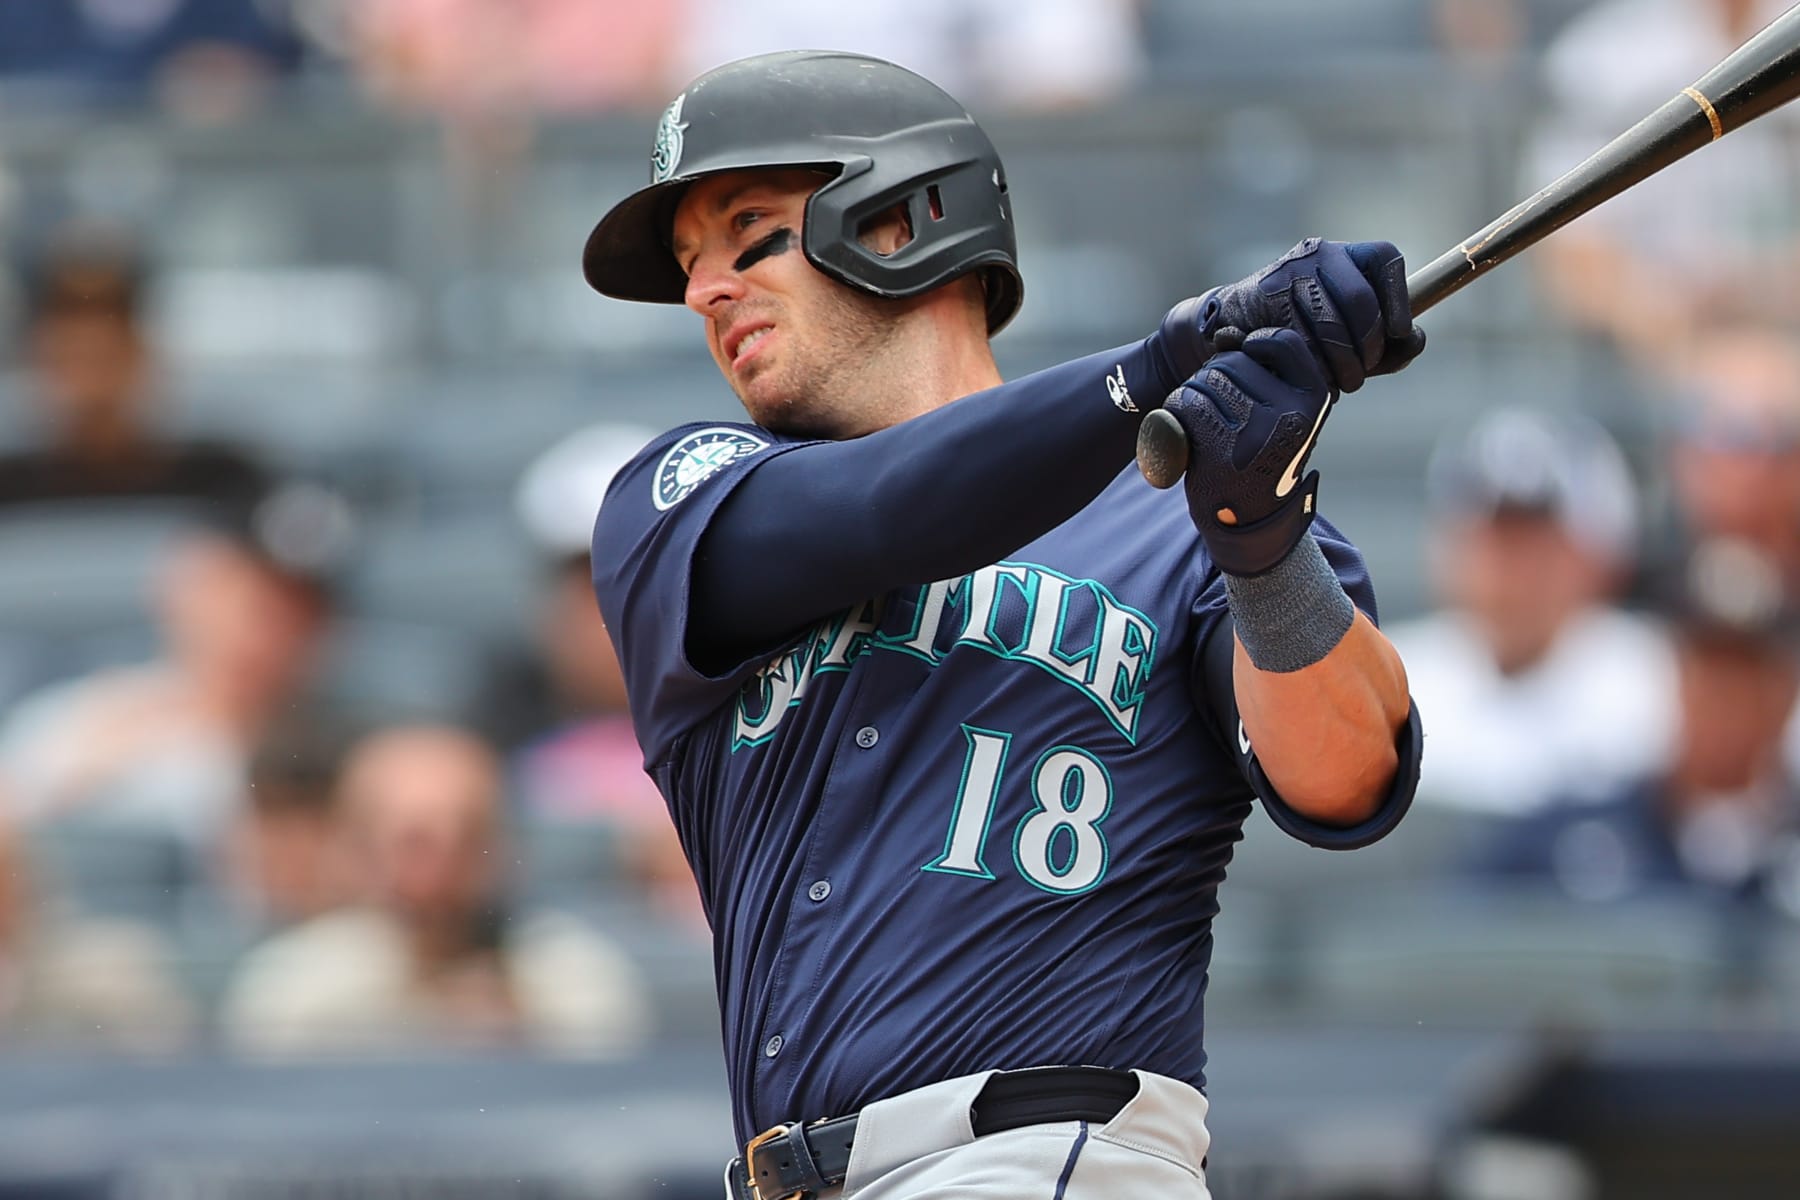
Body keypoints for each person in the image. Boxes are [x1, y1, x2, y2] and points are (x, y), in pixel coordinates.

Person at [582, 51, 1425, 1200]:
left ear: (899, 221)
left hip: (1047, 1159)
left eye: (749, 233)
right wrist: (1163, 363)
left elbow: (1345, 777)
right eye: (692, 263)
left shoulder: (1177, 522)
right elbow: (889, 508)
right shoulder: (680, 495)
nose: (704, 290)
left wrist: (1262, 538)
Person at [221, 723, 652, 1060]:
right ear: (357, 846)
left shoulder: (575, 980)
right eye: (416, 842)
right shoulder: (292, 990)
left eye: (467, 835)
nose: (440, 867)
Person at [1389, 407, 1676, 815]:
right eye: (1493, 541)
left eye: (1538, 543)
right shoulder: (1390, 683)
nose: (1512, 573)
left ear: (1599, 558)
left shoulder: (1664, 688)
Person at [0, 223, 268, 514]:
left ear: (141, 353)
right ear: (37, 360)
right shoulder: (11, 490)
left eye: (105, 357)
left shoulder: (221, 482)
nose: (90, 384)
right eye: (72, 357)